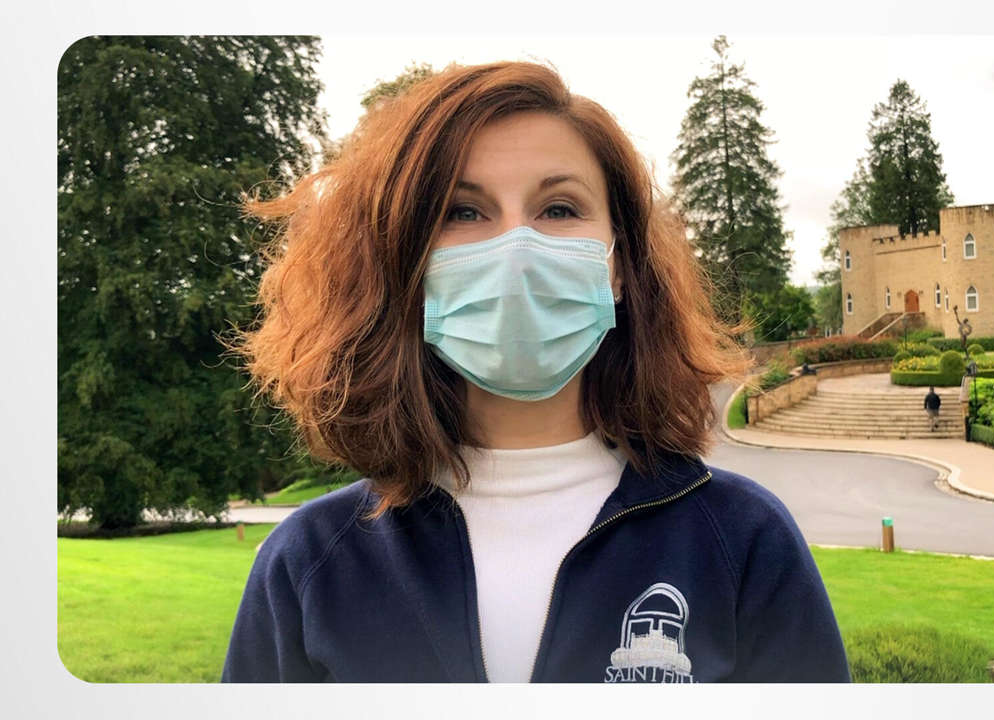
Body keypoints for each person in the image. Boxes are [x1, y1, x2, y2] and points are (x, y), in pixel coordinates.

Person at [221, 61, 850, 683]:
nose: (516, 249)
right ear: (405, 263)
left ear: (619, 266)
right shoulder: (309, 565)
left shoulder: (741, 540)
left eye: (559, 208)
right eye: (463, 211)